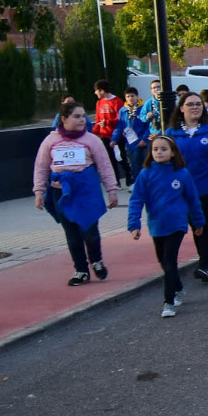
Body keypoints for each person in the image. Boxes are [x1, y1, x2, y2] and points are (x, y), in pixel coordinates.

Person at [32, 98, 119, 287]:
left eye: (83, 117)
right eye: (77, 116)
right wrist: (39, 191)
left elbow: (105, 166)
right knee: (72, 234)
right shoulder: (51, 140)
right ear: (63, 119)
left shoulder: (91, 140)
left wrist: (112, 190)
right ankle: (81, 270)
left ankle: (96, 260)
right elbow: (41, 167)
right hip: (61, 193)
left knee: (90, 232)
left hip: (86, 192)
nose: (82, 120)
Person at [126, 134, 206, 318]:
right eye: (155, 149)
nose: (159, 152)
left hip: (177, 224)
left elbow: (192, 199)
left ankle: (168, 302)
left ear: (172, 153)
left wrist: (198, 221)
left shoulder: (182, 174)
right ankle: (177, 287)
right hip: (156, 224)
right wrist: (134, 224)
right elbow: (136, 200)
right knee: (164, 262)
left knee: (170, 262)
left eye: (163, 149)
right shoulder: (145, 174)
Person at [167, 91, 208, 283]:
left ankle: (206, 265)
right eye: (190, 104)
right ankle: (204, 260)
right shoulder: (172, 133)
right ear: (181, 108)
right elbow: (164, 160)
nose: (195, 107)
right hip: (185, 190)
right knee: (196, 225)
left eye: (198, 104)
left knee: (206, 223)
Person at [119, 86, 151, 180]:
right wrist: (114, 138)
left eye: (132, 96)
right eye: (128, 96)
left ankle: (139, 182)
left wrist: (144, 139)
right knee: (132, 163)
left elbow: (148, 125)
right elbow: (120, 125)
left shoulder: (143, 108)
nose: (130, 98)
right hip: (129, 141)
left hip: (140, 141)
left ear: (137, 96)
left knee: (139, 163)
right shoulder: (123, 110)